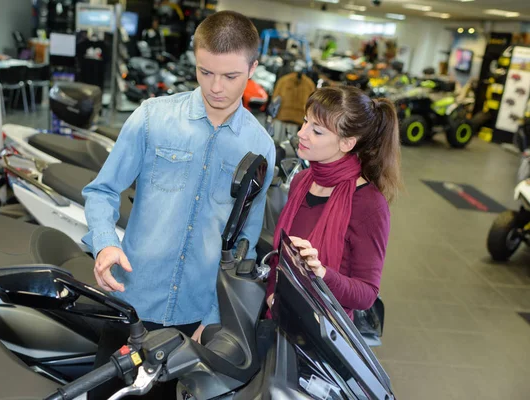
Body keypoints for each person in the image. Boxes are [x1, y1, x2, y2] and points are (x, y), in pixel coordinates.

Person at [82, 10, 276, 399]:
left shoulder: (260, 150)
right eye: (205, 72)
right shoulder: (152, 119)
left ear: (253, 67)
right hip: (133, 302)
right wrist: (105, 243)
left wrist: (215, 318)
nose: (216, 87)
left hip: (194, 319)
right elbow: (102, 191)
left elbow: (243, 247)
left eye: (230, 76)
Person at [265, 86, 403, 320]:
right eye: (305, 122)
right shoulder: (301, 181)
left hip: (322, 333)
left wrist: (322, 274)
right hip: (279, 321)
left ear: (347, 143)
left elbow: (366, 294)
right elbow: (281, 257)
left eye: (317, 131)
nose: (302, 133)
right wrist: (271, 295)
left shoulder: (369, 204)